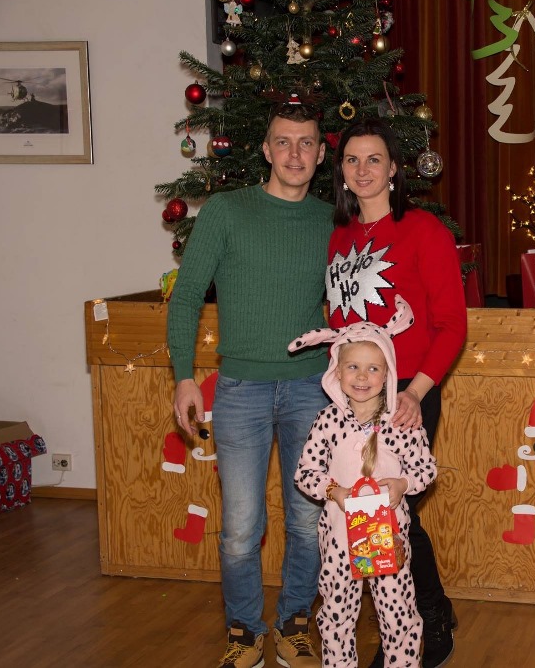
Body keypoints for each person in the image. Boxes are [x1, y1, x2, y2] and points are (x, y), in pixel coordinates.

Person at [168, 97, 332, 668]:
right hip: (241, 390)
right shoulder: (225, 211)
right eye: (283, 142)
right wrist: (184, 378)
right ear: (266, 150)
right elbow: (187, 296)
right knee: (240, 527)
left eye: (306, 143)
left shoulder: (331, 221)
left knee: (308, 521)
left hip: (313, 390)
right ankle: (244, 632)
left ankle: (294, 623)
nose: (295, 154)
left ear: (320, 154)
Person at [325, 117, 467, 668]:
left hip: (408, 390)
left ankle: (425, 620)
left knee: (393, 505)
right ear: (341, 170)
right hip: (352, 397)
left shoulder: (423, 231)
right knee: (369, 510)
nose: (363, 170)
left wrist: (415, 393)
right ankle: (406, 621)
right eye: (352, 159)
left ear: (393, 169)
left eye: (374, 159)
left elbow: (451, 325)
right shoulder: (340, 236)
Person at [291, 295, 437, 668]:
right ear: (337, 371)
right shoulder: (327, 421)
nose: (361, 377)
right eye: (353, 367)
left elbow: (425, 469)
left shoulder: (401, 421)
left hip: (389, 535)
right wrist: (333, 491)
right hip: (339, 537)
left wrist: (402, 485)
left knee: (397, 613)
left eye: (373, 369)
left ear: (387, 373)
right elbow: (305, 472)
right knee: (337, 616)